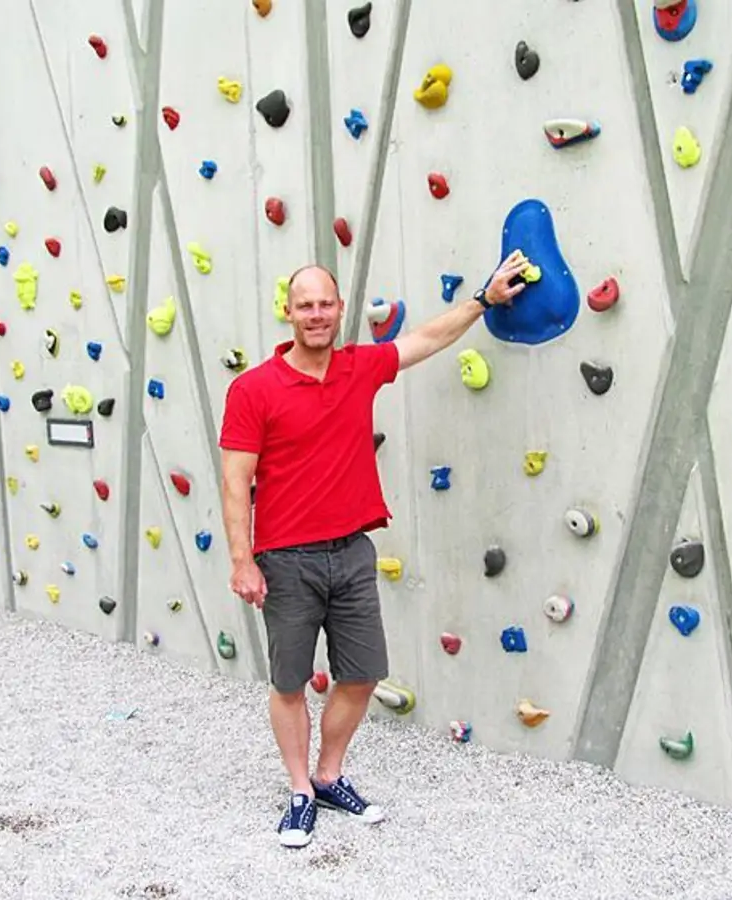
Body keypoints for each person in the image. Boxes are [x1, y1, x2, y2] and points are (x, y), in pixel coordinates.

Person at [219, 253, 529, 848]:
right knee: (289, 682)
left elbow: (426, 339)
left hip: (353, 553)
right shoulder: (253, 389)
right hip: (286, 559)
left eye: (325, 304)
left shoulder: (359, 368)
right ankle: (299, 791)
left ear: (340, 310)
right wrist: (242, 560)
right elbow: (236, 481)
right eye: (305, 305)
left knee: (361, 675)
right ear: (288, 311)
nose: (316, 314)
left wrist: (483, 300)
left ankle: (328, 774)